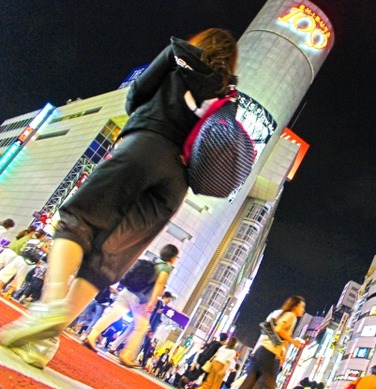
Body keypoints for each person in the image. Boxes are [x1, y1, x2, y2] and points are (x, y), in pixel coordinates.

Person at [0, 28, 239, 369]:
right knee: (112, 255)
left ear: (201, 42)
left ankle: (50, 306)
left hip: (144, 146)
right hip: (176, 182)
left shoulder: (178, 54)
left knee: (77, 220)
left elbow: (136, 96)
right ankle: (45, 340)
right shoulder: (227, 92)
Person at [82, 244, 179, 366]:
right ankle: (126, 354)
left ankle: (91, 336)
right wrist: (153, 301)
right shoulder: (166, 268)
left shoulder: (154, 262)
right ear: (173, 257)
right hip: (140, 299)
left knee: (112, 315)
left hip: (127, 291)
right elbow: (159, 284)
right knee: (141, 328)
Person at [232, 296, 306, 389]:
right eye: (302, 307)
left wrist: (284, 351)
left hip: (260, 350)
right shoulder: (291, 316)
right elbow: (279, 330)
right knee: (270, 387)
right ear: (295, 306)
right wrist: (293, 341)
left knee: (248, 384)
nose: (303, 310)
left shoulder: (279, 313)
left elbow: (278, 334)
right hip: (268, 353)